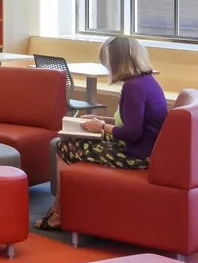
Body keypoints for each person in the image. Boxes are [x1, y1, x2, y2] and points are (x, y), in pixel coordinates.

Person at [40, 35, 166, 230]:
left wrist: (101, 127)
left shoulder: (133, 87)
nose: (107, 68)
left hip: (137, 154)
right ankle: (64, 207)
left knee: (63, 147)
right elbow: (134, 122)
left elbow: (132, 132)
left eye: (107, 63)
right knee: (67, 145)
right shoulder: (146, 81)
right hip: (147, 149)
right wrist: (102, 121)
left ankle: (60, 213)